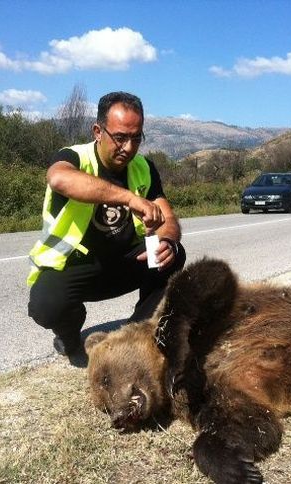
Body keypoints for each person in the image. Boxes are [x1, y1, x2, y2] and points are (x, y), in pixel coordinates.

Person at [27, 91, 185, 361]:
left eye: (136, 138)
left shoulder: (144, 167)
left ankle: (137, 335)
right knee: (45, 307)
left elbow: (168, 219)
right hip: (76, 265)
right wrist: (129, 198)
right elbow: (59, 179)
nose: (128, 147)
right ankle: (69, 338)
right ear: (98, 131)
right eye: (120, 137)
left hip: (122, 263)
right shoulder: (74, 157)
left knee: (173, 254)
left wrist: (167, 240)